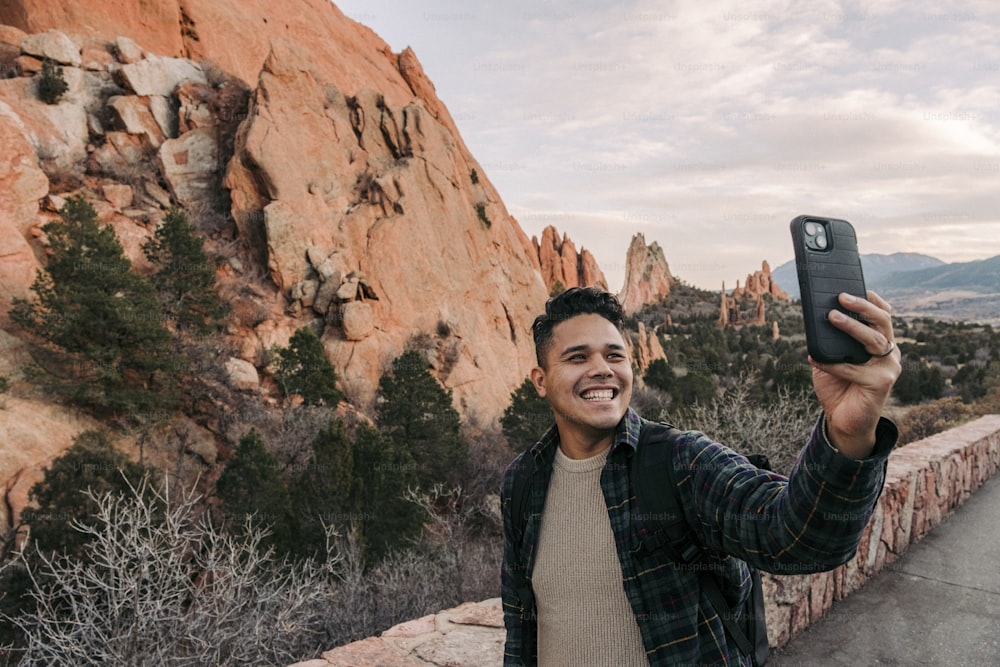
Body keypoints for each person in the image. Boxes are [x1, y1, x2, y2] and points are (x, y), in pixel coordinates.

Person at [500, 286, 901, 666]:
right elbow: (520, 624)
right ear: (540, 381)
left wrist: (849, 435)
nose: (602, 370)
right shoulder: (523, 482)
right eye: (577, 358)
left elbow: (798, 537)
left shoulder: (679, 461)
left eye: (614, 355)